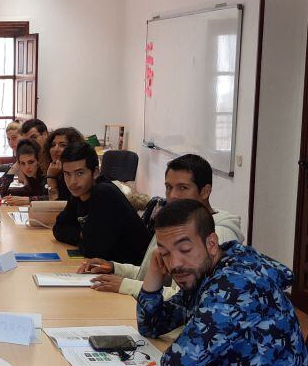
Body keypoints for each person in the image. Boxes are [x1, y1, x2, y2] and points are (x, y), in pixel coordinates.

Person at [118, 199, 308, 366]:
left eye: (184, 249)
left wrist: (184, 345)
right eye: (164, 253)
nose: (175, 264)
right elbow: (152, 325)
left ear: (210, 243)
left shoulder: (234, 285)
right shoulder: (211, 269)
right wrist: (153, 276)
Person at [80, 154, 244, 298]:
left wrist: (125, 285)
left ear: (205, 191)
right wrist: (115, 268)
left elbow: (187, 299)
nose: (172, 196)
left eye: (183, 188)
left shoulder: (219, 234)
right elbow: (152, 275)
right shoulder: (175, 222)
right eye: (168, 187)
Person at [52, 141, 151, 264]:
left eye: (80, 173)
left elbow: (92, 250)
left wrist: (85, 238)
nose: (72, 182)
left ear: (96, 172)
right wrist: (83, 235)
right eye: (67, 174)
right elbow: (58, 229)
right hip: (110, 268)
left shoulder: (103, 193)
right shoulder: (79, 191)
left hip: (132, 273)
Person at [0, 139, 47, 205]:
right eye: (23, 163)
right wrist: (12, 170)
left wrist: (28, 200)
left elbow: (53, 199)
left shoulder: (46, 173)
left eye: (31, 162)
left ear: (38, 160)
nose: (27, 167)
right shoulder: (33, 177)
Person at [43, 127, 85, 201]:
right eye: (53, 145)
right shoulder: (54, 168)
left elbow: (55, 206)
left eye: (62, 145)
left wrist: (51, 178)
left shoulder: (76, 174)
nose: (55, 149)